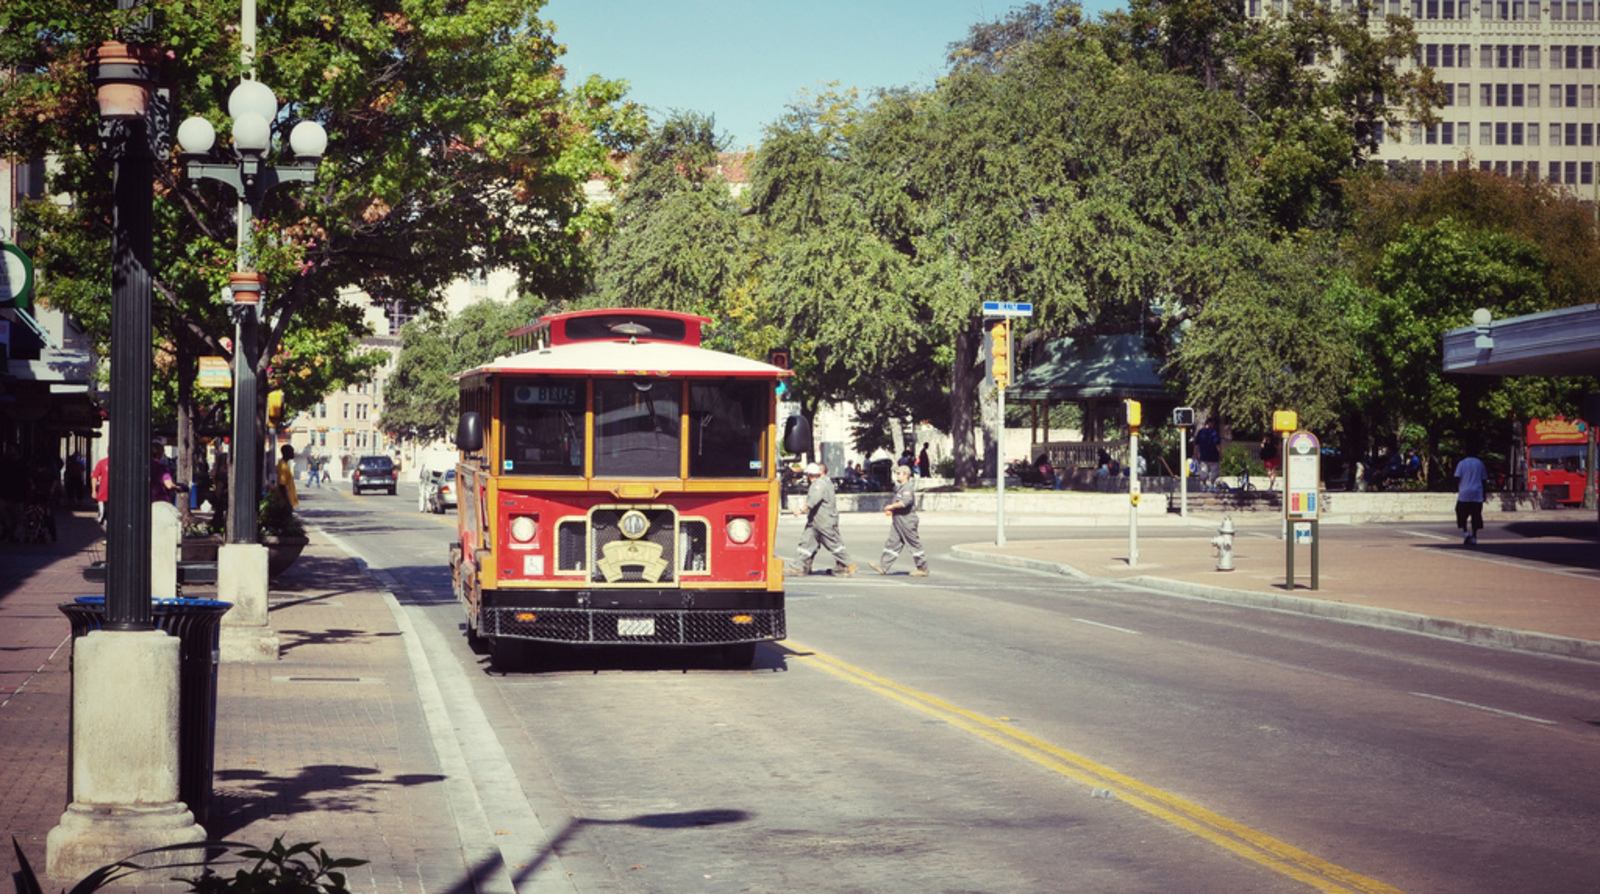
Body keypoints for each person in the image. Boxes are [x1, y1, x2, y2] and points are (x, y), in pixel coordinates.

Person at [788, 462, 855, 576]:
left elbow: (813, 501)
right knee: (806, 543)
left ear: (809, 474)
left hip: (823, 521)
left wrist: (800, 510)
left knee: (833, 544)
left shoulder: (818, 485)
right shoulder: (826, 482)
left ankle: (847, 564)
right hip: (817, 521)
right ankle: (800, 567)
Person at [869, 465, 929, 576]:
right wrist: (893, 510)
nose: (897, 475)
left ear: (905, 475)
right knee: (892, 543)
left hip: (907, 520)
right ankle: (883, 567)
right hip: (898, 520)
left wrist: (891, 507)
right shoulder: (900, 488)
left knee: (914, 544)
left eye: (898, 473)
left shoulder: (907, 488)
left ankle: (922, 568)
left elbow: (905, 502)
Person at [1454, 444, 1487, 546]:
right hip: (1477, 493)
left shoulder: (1462, 463)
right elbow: (1484, 479)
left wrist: (1457, 488)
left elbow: (1457, 477)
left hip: (1464, 493)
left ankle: (1465, 532)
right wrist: (1484, 493)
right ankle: (1474, 536)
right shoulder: (1480, 463)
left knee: (1461, 513)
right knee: (1476, 515)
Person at [1194, 418, 1222, 492]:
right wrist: (1221, 454)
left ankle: (1204, 485)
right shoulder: (1214, 432)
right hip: (1213, 457)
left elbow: (1196, 445)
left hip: (1203, 457)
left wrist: (1196, 454)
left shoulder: (1200, 432)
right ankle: (1212, 485)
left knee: (1203, 472)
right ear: (1210, 423)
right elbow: (1217, 445)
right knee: (1214, 472)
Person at [276, 444, 300, 509]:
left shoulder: (285, 464)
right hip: (285, 502)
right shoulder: (283, 465)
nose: (293, 453)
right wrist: (286, 501)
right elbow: (282, 485)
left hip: (288, 501)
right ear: (286, 453)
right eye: (292, 451)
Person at [91, 453, 111, 526]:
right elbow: (94, 476)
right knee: (102, 515)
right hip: (103, 494)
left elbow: (94, 477)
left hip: (114, 495)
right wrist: (93, 490)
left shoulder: (120, 463)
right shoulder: (102, 462)